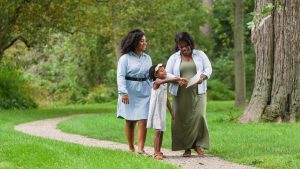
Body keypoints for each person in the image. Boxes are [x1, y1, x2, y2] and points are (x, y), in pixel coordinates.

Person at [166, 32, 212, 157]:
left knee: (200, 116)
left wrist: (203, 76)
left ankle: (198, 146)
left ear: (190, 44)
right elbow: (167, 73)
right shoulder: (174, 57)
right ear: (178, 46)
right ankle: (186, 148)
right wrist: (176, 79)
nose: (184, 49)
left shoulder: (200, 54)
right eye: (181, 47)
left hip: (198, 91)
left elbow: (208, 68)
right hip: (180, 93)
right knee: (182, 119)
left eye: (186, 46)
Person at [117, 29, 152, 155]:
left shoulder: (148, 58)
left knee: (143, 120)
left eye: (145, 41)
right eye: (142, 41)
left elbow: (150, 76)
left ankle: (141, 149)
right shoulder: (125, 59)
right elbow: (120, 76)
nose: (145, 43)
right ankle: (131, 147)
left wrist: (155, 88)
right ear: (135, 42)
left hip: (144, 91)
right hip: (129, 91)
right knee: (130, 121)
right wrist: (123, 92)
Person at [146, 63, 182, 160]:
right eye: (161, 71)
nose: (165, 71)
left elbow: (165, 99)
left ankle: (159, 151)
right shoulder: (156, 82)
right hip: (156, 111)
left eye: (164, 69)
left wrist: (172, 112)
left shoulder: (163, 84)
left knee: (161, 131)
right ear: (156, 75)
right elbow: (168, 80)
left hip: (161, 111)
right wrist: (177, 79)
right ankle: (156, 152)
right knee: (157, 131)